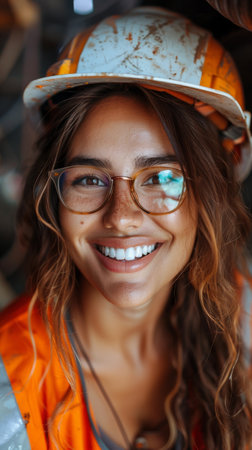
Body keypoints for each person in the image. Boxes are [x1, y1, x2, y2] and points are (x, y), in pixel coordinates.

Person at [0, 6, 252, 450]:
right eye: (90, 180)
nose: (121, 217)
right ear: (52, 195)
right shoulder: (9, 379)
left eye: (161, 178)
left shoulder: (245, 329)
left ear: (211, 194)